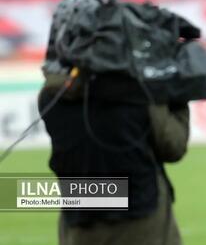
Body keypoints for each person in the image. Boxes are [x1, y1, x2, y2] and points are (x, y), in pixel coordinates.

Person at [39, 73, 189, 245]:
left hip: (80, 216)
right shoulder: (141, 90)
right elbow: (173, 147)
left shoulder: (52, 94)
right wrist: (179, 100)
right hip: (140, 213)